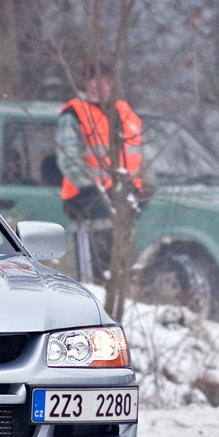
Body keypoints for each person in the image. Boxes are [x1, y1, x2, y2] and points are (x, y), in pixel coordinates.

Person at [56, 62, 144, 282]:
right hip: (89, 208)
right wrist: (89, 188)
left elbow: (141, 157)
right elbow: (69, 158)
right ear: (86, 83)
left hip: (122, 208)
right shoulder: (74, 113)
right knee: (91, 282)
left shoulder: (124, 114)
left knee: (117, 278)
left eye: (107, 81)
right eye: (96, 81)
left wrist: (143, 191)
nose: (102, 87)